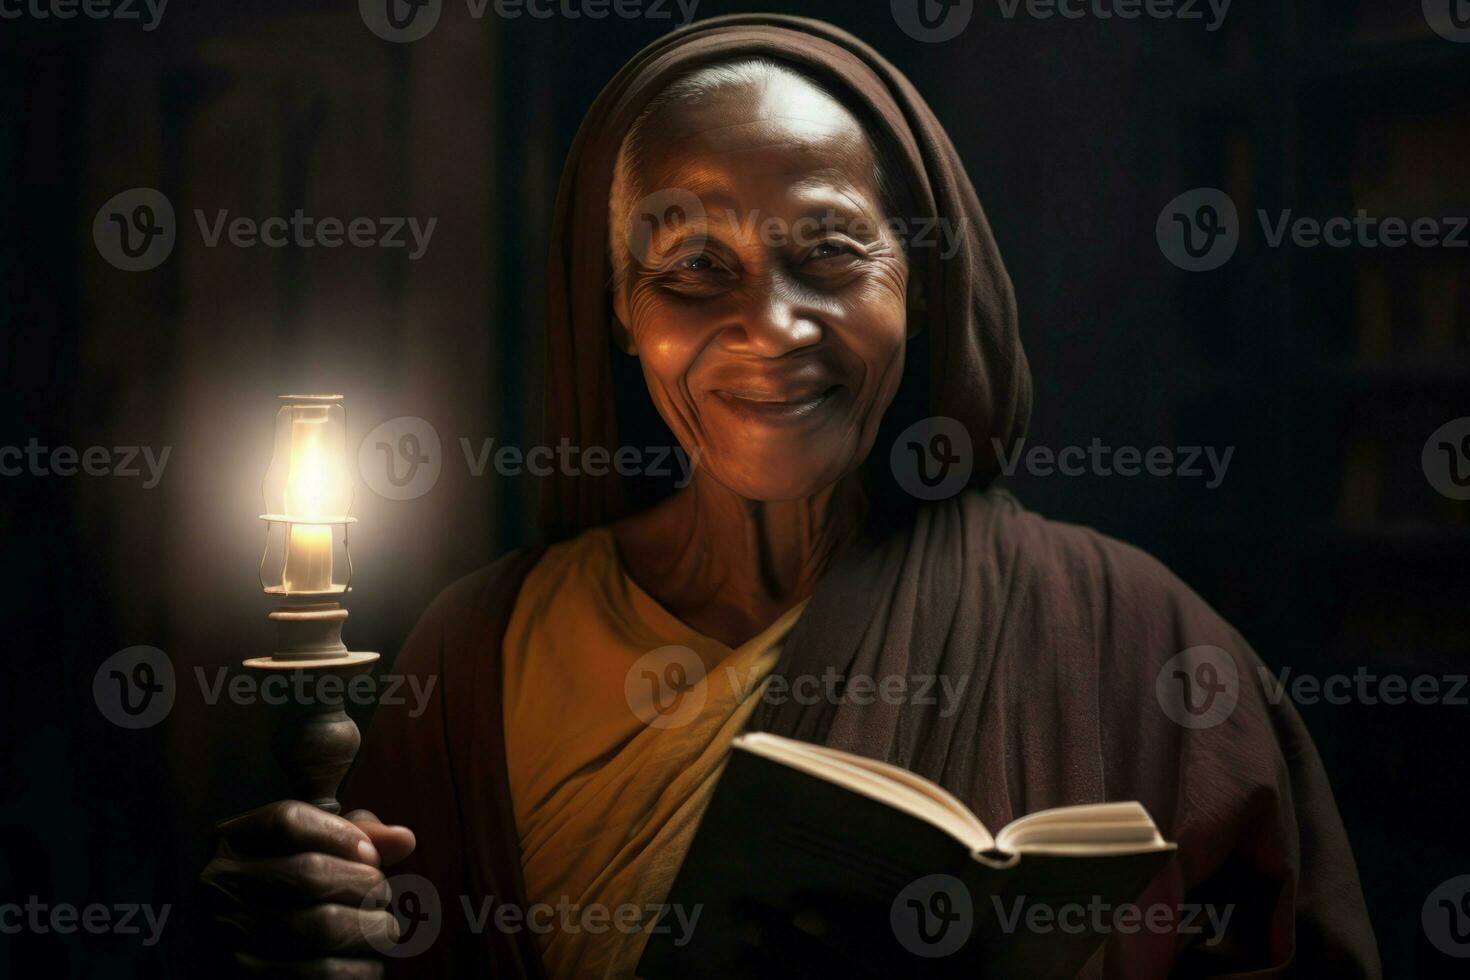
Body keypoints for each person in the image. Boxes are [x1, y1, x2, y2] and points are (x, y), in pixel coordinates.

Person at [200, 14, 1380, 978]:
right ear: (621, 309)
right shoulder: (478, 649)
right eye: (691, 268)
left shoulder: (1136, 642)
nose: (768, 328)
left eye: (829, 253)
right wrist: (299, 933)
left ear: (919, 281)